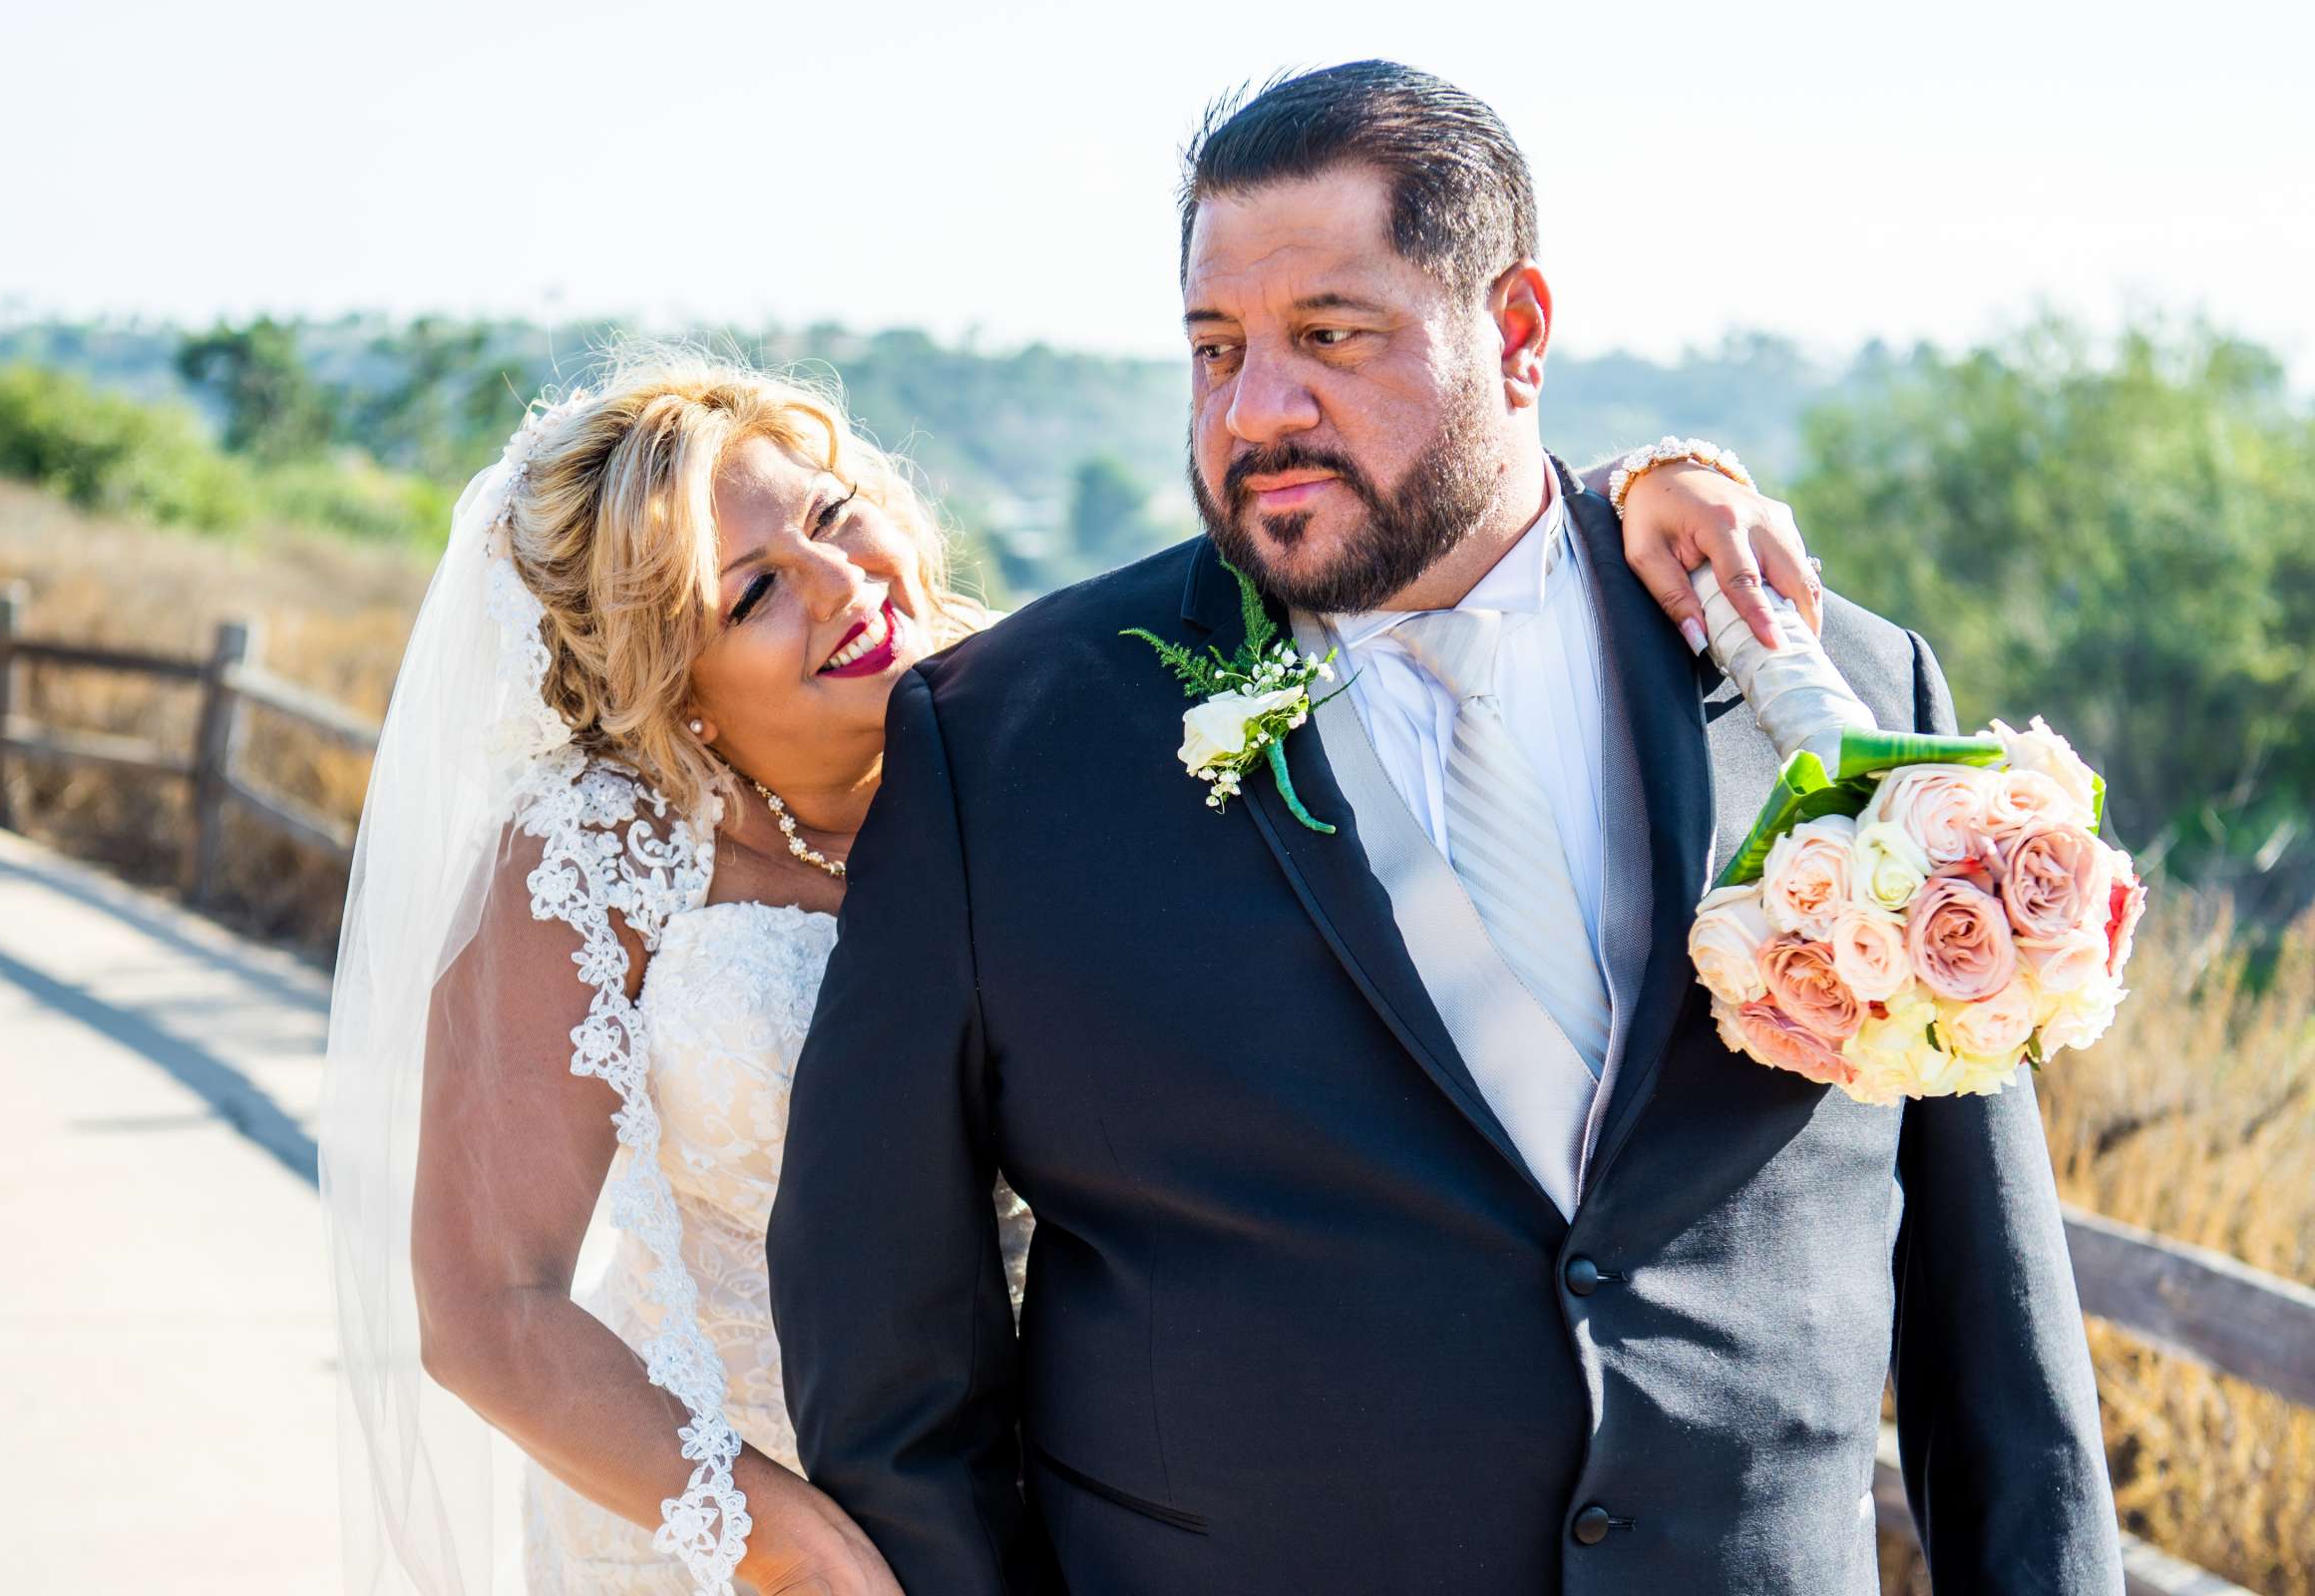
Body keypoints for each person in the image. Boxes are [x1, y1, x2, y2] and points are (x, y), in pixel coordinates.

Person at [767, 62, 2123, 1594]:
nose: (1257, 410)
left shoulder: (1843, 696)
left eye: (1330, 339)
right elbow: (883, 1349)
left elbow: (1995, 1349)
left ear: (1520, 333)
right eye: (1216, 349)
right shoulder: (1008, 743)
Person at [319, 341, 1797, 1593]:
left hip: (1117, 1495)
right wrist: (783, 1541)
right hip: (725, 1515)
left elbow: (1364, 553)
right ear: (665, 677)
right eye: (751, 591)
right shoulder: (592, 857)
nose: (844, 584)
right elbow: (488, 1310)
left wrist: (1632, 492)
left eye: (837, 514)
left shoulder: (1059, 716)